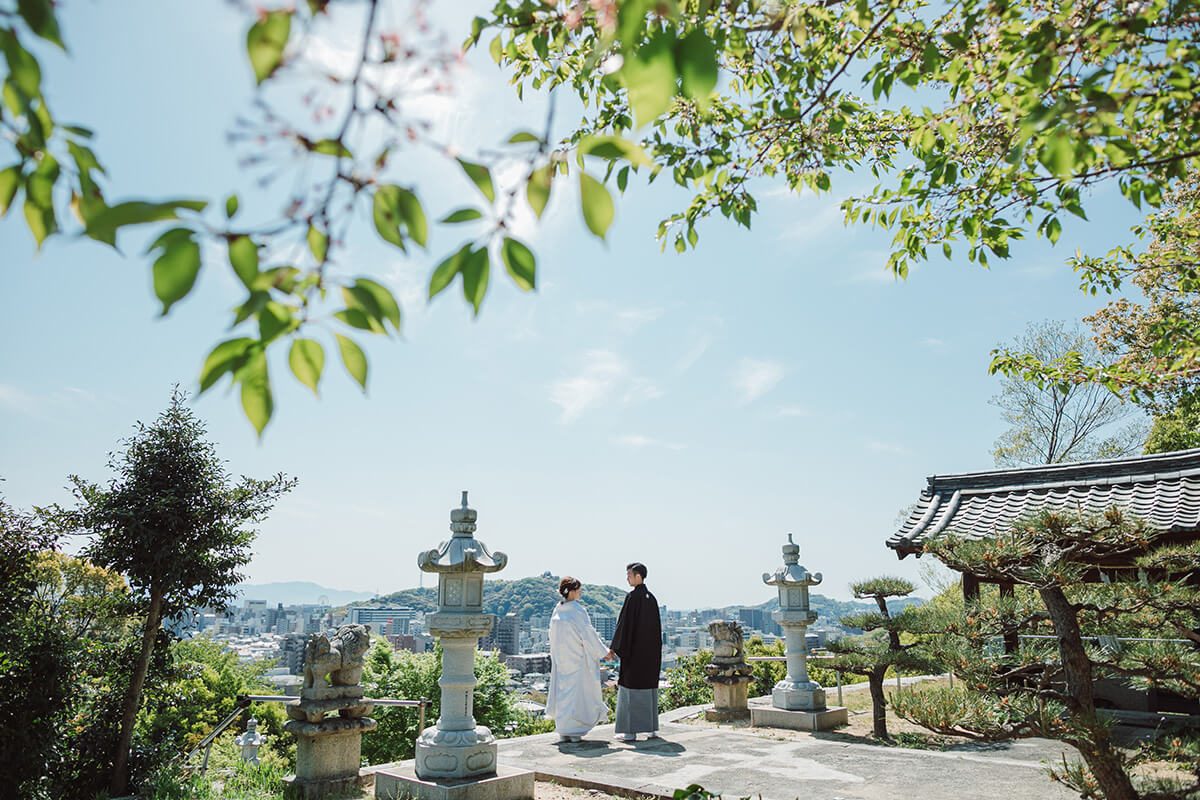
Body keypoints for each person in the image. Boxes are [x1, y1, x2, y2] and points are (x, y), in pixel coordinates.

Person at [546, 576, 611, 743]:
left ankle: (563, 729)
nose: (580, 592)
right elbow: (588, 634)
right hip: (577, 658)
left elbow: (552, 636)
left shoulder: (557, 610)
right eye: (578, 589)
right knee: (578, 694)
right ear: (572, 591)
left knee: (563, 692)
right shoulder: (578, 610)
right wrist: (603, 652)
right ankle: (575, 730)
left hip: (562, 658)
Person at [609, 561, 662, 741]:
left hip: (634, 654)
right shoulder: (651, 598)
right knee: (649, 689)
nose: (627, 579)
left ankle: (630, 732)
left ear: (638, 576)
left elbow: (624, 625)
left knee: (630, 689)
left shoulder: (632, 597)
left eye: (629, 576)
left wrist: (615, 647)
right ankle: (651, 729)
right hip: (650, 655)